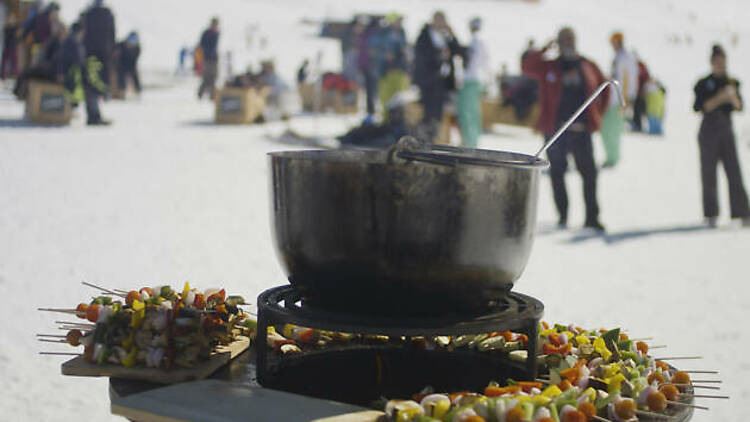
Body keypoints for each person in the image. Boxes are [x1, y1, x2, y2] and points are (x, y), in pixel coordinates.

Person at [522, 27, 609, 231]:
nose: (567, 42)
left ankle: (591, 218)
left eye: (570, 38)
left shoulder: (587, 65)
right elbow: (527, 67)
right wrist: (544, 48)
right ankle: (563, 216)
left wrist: (596, 115)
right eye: (563, 39)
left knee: (589, 173)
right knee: (557, 173)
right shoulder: (549, 66)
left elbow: (604, 90)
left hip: (582, 131)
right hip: (556, 130)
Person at [692, 45, 750, 228]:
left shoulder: (732, 82)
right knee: (708, 173)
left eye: (723, 62)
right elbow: (700, 107)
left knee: (734, 171)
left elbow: (740, 108)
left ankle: (742, 212)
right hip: (708, 130)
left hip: (726, 129)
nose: (721, 65)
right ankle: (711, 214)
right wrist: (719, 98)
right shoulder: (704, 83)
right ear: (712, 63)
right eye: (717, 62)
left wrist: (732, 97)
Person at [413, 11, 461, 141]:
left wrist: (451, 35)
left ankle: (433, 138)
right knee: (428, 112)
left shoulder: (445, 35)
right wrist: (438, 54)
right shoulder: (425, 35)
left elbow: (458, 50)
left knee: (438, 114)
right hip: (429, 81)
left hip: (442, 82)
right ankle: (423, 138)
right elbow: (421, 56)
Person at [601, 32, 638, 168]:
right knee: (606, 128)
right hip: (611, 99)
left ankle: (613, 158)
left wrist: (627, 99)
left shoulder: (626, 58)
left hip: (619, 100)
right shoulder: (618, 57)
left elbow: (630, 80)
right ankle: (610, 156)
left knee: (613, 129)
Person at [371, 13, 410, 122]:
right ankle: (386, 122)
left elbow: (406, 50)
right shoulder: (381, 33)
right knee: (386, 99)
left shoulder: (402, 33)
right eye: (397, 20)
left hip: (400, 71)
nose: (399, 23)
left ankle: (398, 122)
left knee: (399, 99)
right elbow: (373, 50)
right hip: (385, 72)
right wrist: (385, 55)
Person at [82, 0, 116, 125]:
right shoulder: (107, 13)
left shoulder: (88, 13)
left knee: (92, 85)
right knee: (97, 85)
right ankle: (94, 116)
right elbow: (112, 34)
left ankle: (93, 115)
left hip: (90, 54)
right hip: (102, 54)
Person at [457, 17, 489, 148]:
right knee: (472, 113)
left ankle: (469, 142)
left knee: (467, 113)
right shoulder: (478, 41)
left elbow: (477, 62)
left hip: (471, 80)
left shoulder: (476, 41)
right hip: (474, 80)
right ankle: (471, 141)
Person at [56, 21, 85, 106]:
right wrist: (60, 72)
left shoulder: (75, 41)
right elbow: (62, 58)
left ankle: (70, 109)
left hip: (74, 73)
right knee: (69, 92)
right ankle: (68, 109)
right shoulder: (70, 41)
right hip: (69, 72)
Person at [357, 17, 379, 124]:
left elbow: (362, 52)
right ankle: (373, 113)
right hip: (374, 67)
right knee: (374, 91)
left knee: (370, 92)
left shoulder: (366, 35)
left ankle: (371, 112)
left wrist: (360, 66)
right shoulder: (377, 34)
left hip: (368, 67)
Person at [197, 17, 219, 100]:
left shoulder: (216, 33)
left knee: (213, 78)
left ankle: (212, 96)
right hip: (207, 59)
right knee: (206, 78)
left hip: (214, 59)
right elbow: (202, 45)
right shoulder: (207, 33)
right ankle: (200, 94)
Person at [1, 13, 20, 79]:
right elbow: (8, 36)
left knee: (14, 62)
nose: (11, 20)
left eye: (13, 19)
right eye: (10, 18)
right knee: (5, 62)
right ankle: (3, 75)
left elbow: (17, 37)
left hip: (13, 46)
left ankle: (12, 75)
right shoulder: (7, 28)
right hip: (7, 46)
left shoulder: (16, 27)